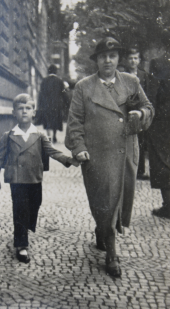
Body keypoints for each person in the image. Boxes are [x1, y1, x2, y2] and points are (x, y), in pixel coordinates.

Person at [65, 37, 154, 277]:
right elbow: (74, 123)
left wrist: (140, 112)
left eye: (113, 55)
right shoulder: (84, 86)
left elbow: (149, 108)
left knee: (117, 201)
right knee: (103, 200)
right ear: (96, 60)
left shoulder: (131, 82)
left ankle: (106, 239)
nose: (108, 60)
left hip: (125, 152)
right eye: (103, 56)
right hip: (97, 156)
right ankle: (110, 247)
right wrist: (79, 147)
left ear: (118, 58)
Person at [0, 93, 79, 263]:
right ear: (14, 113)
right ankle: (22, 244)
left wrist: (69, 160)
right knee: (20, 210)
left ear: (34, 113)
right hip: (17, 180)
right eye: (20, 109)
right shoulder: (8, 136)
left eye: (28, 108)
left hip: (34, 178)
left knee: (34, 205)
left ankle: (25, 228)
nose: (24, 112)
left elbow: (52, 151)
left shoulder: (39, 136)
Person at [149, 29, 170, 219]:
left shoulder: (158, 63)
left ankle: (168, 205)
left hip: (163, 119)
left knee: (162, 159)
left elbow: (153, 93)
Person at [125, 46, 150, 180]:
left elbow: (148, 94)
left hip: (140, 113)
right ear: (126, 60)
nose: (133, 61)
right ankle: (128, 170)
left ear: (139, 60)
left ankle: (140, 171)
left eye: (135, 58)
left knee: (140, 142)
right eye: (130, 58)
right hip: (126, 113)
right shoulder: (122, 75)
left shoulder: (144, 75)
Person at [37, 64, 65, 143]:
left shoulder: (44, 81)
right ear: (56, 71)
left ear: (48, 71)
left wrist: (40, 105)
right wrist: (65, 105)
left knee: (47, 120)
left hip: (46, 105)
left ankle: (48, 136)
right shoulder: (59, 81)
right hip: (56, 105)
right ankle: (54, 136)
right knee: (55, 121)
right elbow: (63, 94)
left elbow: (41, 94)